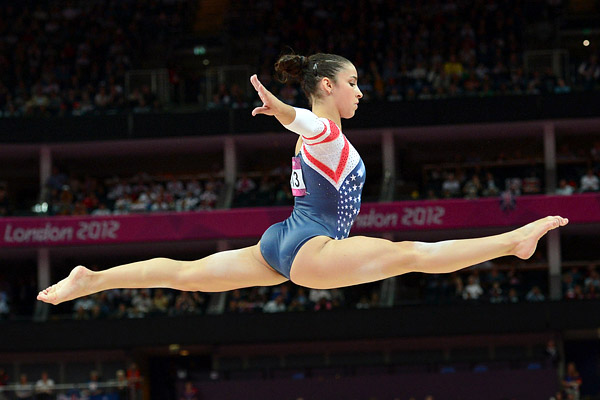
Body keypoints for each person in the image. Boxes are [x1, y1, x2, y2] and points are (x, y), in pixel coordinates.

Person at [37, 53, 568, 310]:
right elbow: (311, 125)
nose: (360, 92)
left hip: (281, 241)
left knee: (186, 273)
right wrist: (286, 111)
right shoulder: (324, 133)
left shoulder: (319, 137)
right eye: (353, 83)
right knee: (410, 254)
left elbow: (309, 129)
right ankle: (513, 241)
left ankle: (94, 279)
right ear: (328, 86)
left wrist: (293, 117)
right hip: (313, 246)